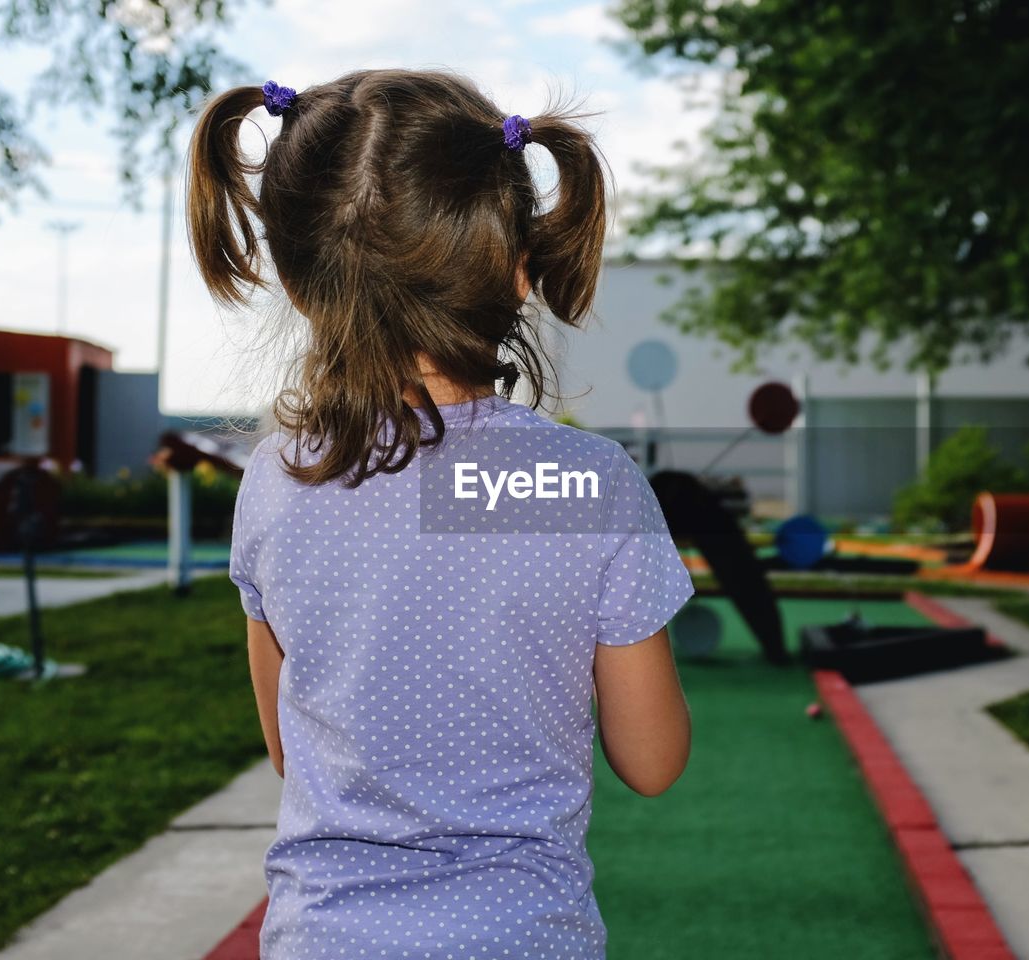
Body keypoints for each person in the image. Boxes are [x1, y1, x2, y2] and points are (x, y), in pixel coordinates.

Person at [186, 70, 696, 960]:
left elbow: (286, 746)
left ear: (299, 281)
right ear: (518, 269)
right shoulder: (586, 485)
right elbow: (654, 764)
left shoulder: (275, 480)